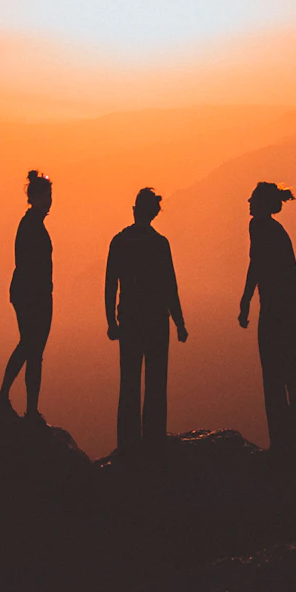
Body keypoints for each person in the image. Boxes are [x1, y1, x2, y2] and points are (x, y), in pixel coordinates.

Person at [104, 186, 187, 454]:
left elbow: (110, 285)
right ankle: (154, 441)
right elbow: (169, 286)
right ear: (154, 213)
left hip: (129, 319)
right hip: (156, 322)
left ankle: (127, 445)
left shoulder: (119, 241)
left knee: (128, 382)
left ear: (134, 210)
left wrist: (111, 322)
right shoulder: (160, 244)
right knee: (155, 382)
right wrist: (179, 322)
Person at [238, 180, 296, 468]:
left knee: (275, 376)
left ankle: (283, 448)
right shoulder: (274, 230)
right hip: (289, 308)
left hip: (277, 309)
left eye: (253, 198)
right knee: (293, 375)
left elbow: (256, 266)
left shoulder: (260, 226)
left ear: (264, 204)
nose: (248, 202)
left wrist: (245, 302)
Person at [0, 168, 54, 422]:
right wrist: (39, 296)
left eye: (50, 195)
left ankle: (24, 406)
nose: (49, 200)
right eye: (45, 196)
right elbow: (28, 264)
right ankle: (13, 401)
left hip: (30, 293)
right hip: (32, 295)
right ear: (34, 198)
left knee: (32, 348)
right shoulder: (31, 225)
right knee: (31, 346)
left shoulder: (33, 223)